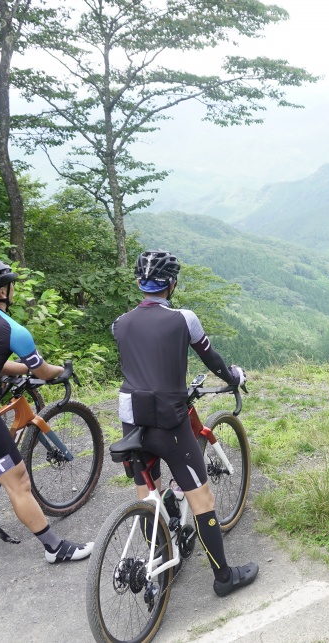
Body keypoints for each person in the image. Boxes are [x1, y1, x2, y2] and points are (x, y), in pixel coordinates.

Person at [111, 249, 257, 596]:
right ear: (172, 284)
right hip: (169, 419)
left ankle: (161, 560)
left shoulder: (119, 323)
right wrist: (233, 376)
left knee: (148, 492)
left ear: (138, 282)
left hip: (131, 417)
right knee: (202, 498)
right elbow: (213, 361)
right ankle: (224, 578)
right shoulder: (183, 318)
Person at [0, 258, 92, 563]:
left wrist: (19, 369)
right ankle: (54, 548)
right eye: (10, 286)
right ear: (3, 291)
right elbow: (45, 371)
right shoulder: (12, 328)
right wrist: (60, 371)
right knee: (19, 483)